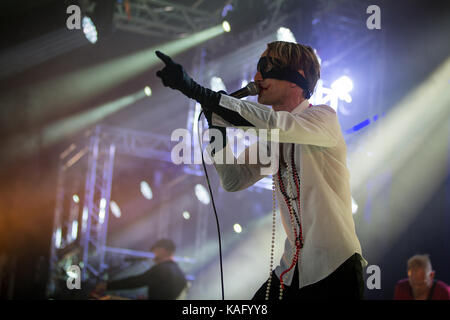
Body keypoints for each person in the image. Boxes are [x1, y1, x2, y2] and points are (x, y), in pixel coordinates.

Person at [155, 40, 367, 300]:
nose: (257, 77)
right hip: (292, 268)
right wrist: (217, 131)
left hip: (335, 268)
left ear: (296, 77)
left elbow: (274, 123)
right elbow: (234, 179)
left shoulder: (323, 118)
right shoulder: (272, 139)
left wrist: (198, 92)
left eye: (266, 67)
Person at [94, 239, 187, 300]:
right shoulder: (181, 274)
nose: (154, 254)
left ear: (163, 250)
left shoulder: (162, 269)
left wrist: (107, 286)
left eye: (155, 250)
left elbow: (136, 281)